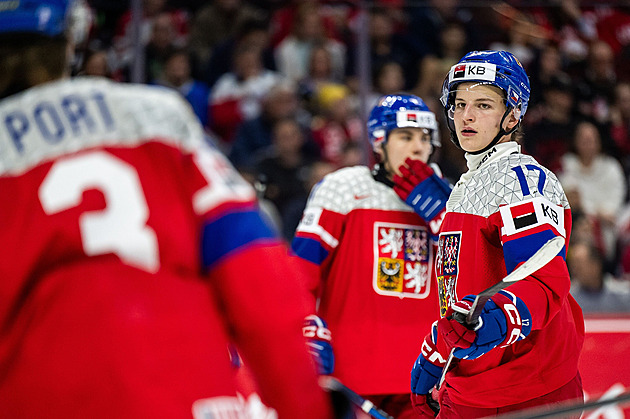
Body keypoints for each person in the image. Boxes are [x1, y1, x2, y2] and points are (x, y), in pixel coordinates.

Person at [0, 1, 347, 418]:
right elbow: (257, 274)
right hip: (186, 392)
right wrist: (306, 406)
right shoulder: (156, 115)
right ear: (70, 39)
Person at [404, 50, 584, 417]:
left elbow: (543, 281)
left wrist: (496, 320)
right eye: (460, 103)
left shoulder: (520, 180)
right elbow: (461, 296)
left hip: (527, 393)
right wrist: (437, 354)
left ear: (514, 113)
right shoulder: (466, 187)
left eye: (483, 104)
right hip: (470, 391)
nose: (466, 115)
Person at [292, 94, 451, 418]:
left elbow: (473, 282)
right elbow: (300, 271)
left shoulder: (452, 198)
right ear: (379, 141)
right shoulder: (342, 188)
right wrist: (305, 326)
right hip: (351, 375)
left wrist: (444, 220)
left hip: (423, 380)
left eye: (424, 138)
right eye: (406, 137)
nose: (418, 147)